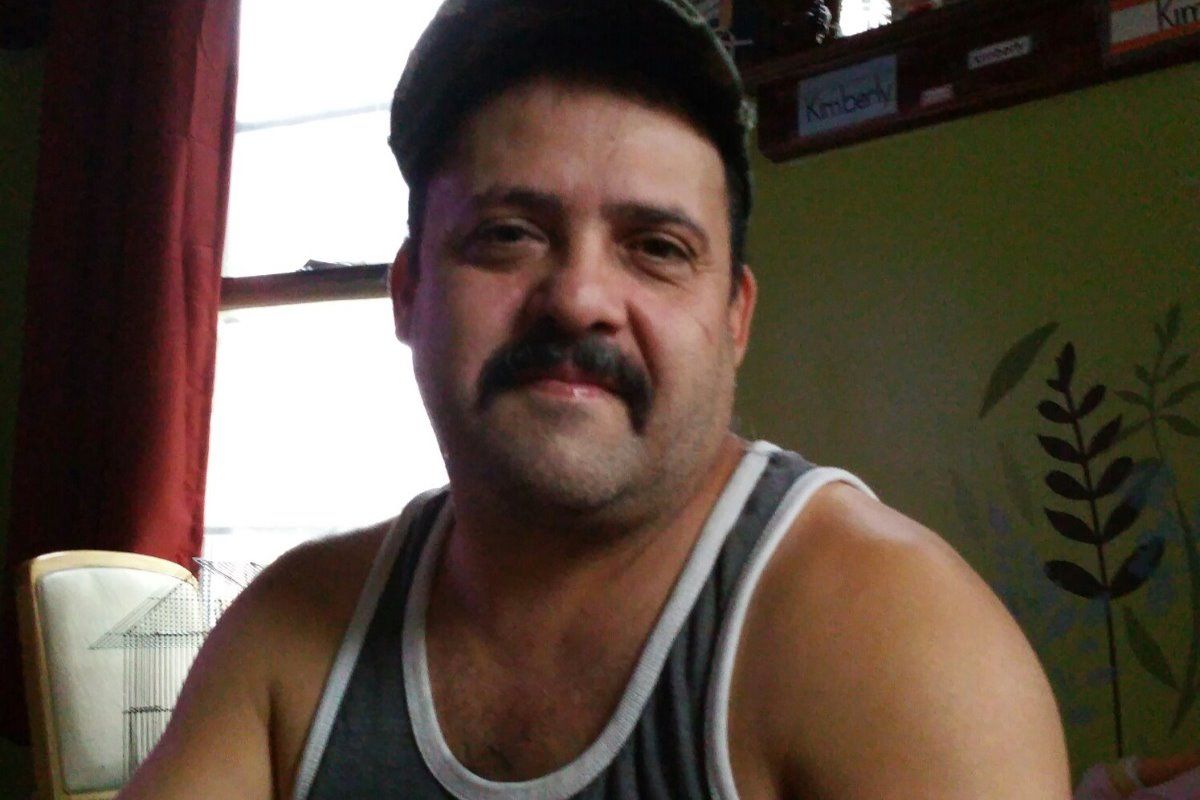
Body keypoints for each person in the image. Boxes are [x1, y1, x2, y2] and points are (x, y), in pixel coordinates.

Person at [118, 0, 1070, 797]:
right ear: (408, 293)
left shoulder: (894, 641)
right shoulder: (290, 637)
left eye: (656, 248)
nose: (578, 298)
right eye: (508, 234)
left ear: (734, 319)